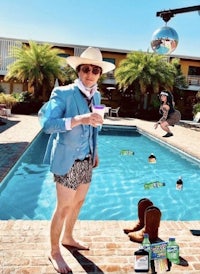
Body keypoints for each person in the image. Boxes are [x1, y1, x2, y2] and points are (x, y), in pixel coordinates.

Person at [39, 47, 115, 273]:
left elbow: (95, 128)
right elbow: (46, 125)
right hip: (67, 159)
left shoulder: (97, 95)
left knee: (78, 203)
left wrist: (96, 151)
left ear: (100, 74)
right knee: (63, 208)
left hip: (87, 158)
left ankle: (68, 237)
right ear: (78, 71)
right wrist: (78, 119)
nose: (90, 74)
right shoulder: (62, 93)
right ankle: (54, 251)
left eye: (95, 70)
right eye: (85, 69)